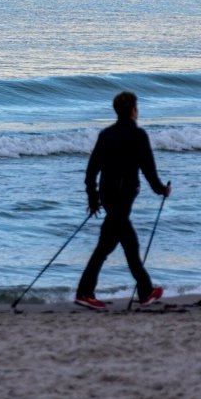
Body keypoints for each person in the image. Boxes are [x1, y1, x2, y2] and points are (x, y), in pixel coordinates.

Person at [75, 91, 171, 311]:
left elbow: (92, 170)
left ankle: (145, 291)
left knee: (117, 244)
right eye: (137, 107)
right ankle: (86, 293)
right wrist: (162, 190)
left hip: (108, 197)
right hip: (123, 198)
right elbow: (149, 170)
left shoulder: (106, 134)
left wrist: (93, 197)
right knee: (115, 246)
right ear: (133, 110)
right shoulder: (138, 135)